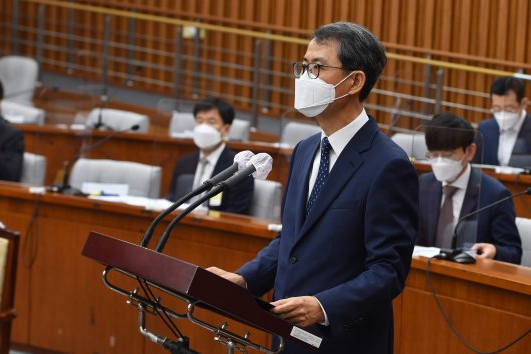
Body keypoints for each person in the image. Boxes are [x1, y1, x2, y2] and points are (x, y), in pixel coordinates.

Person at [208, 22, 418, 353]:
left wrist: (323, 306)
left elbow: (387, 271)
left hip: (345, 341)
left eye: (317, 67)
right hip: (287, 336)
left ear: (355, 81)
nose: (305, 78)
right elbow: (290, 241)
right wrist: (245, 280)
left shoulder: (389, 165)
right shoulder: (305, 150)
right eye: (304, 67)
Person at [418, 112, 522, 264]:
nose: (440, 162)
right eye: (433, 155)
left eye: (448, 155)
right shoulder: (423, 184)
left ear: (470, 151)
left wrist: (495, 251)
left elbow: (513, 252)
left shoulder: (495, 195)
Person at [166, 97, 254, 215]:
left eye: (211, 122)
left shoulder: (239, 168)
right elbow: (172, 200)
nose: (203, 128)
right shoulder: (183, 162)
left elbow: (236, 213)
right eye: (199, 121)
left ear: (226, 130)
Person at [475, 76, 531, 167]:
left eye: (509, 109)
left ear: (523, 104)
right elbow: (475, 165)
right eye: (497, 109)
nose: (502, 115)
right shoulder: (484, 129)